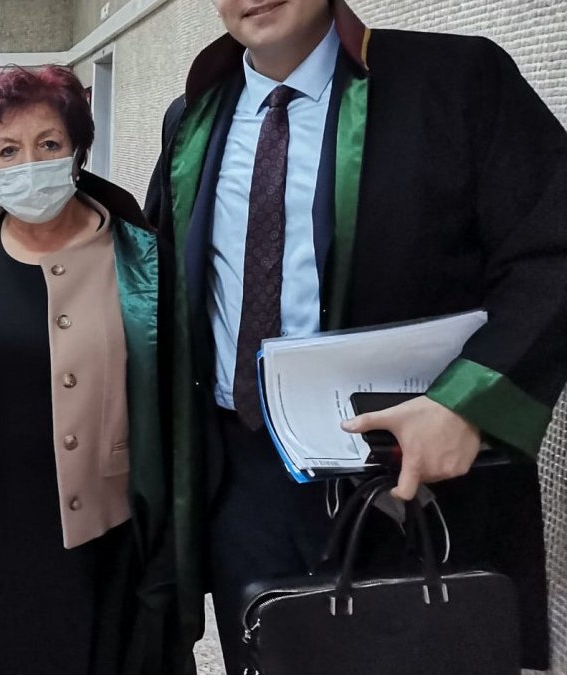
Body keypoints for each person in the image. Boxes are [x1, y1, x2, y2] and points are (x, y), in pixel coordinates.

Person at [144, 0, 567, 671]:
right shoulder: (192, 121)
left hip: (412, 479)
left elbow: (550, 251)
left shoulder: (456, 83)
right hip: (243, 483)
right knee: (271, 654)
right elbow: (159, 287)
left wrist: (469, 402)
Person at [0, 65, 167, 675]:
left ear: (78, 152)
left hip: (104, 533)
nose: (29, 164)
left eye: (48, 144)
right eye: (8, 150)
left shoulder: (142, 263)